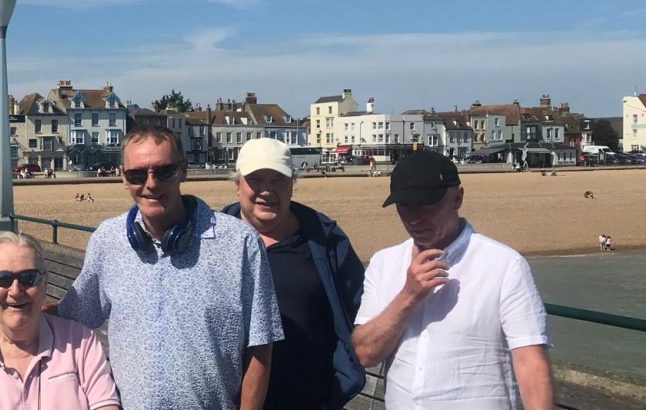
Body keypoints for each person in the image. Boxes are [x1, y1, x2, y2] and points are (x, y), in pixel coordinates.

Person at [58, 126, 282, 409]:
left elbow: (261, 345)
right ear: (122, 177)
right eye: (137, 174)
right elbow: (72, 316)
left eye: (163, 171)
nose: (151, 184)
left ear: (183, 171)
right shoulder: (108, 239)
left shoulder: (240, 242)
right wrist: (1, 317)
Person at [352, 150, 553, 409]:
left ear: (457, 197)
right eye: (404, 205)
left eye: (427, 203)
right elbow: (364, 353)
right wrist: (408, 296)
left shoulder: (504, 265)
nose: (414, 217)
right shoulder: (384, 263)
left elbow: (530, 361)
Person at [219, 138, 366, 410]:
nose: (267, 190)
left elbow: (361, 306)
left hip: (309, 399)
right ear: (237, 184)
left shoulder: (323, 238)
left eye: (278, 180)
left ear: (292, 184)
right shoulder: (213, 241)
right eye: (256, 179)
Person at [0, 232, 120, 410]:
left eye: (29, 278)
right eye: (1, 278)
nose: (15, 291)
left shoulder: (80, 343)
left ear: (44, 283)